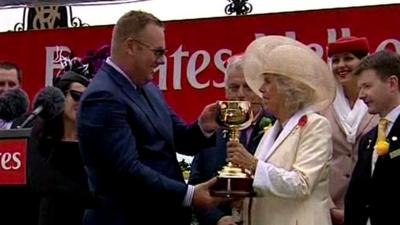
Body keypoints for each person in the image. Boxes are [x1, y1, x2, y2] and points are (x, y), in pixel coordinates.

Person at [77, 10, 221, 225]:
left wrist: (203, 126)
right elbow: (125, 171)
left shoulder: (149, 89)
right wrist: (189, 194)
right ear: (131, 47)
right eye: (158, 52)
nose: (162, 61)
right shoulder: (103, 97)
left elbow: (178, 139)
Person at [226, 35, 336, 225]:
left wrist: (253, 165)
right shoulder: (271, 131)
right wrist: (240, 197)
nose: (261, 89)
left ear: (288, 87)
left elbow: (302, 184)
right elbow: (267, 184)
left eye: (268, 81)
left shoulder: (316, 125)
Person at [189, 54, 275, 225]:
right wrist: (217, 219)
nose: (241, 95)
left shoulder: (278, 128)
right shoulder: (210, 131)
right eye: (234, 87)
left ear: (261, 90)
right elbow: (195, 186)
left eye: (248, 87)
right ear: (226, 91)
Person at [323, 36, 378, 225]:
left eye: (348, 58)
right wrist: (329, 208)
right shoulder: (322, 105)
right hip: (330, 207)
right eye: (335, 60)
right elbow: (317, 161)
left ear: (364, 62)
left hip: (371, 208)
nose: (341, 65)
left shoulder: (378, 103)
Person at [28, 71, 92, 225]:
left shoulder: (95, 143)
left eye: (87, 98)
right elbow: (39, 183)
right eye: (77, 95)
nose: (81, 102)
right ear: (60, 97)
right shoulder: (41, 139)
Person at [345, 50, 400, 225]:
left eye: (367, 86)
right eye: (360, 88)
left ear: (392, 83)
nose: (361, 95)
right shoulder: (368, 139)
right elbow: (357, 195)